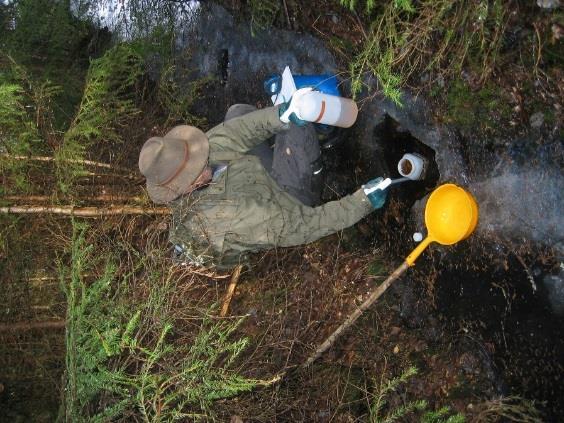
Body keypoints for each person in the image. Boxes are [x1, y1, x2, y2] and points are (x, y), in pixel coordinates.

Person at [138, 98, 388, 269]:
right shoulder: (228, 218)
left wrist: (280, 115)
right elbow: (304, 225)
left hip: (249, 178)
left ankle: (291, 140)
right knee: (298, 132)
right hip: (287, 198)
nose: (203, 158)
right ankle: (314, 150)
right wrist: (361, 202)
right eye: (196, 166)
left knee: (238, 113)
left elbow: (236, 132)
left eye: (195, 157)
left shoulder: (193, 154)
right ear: (186, 186)